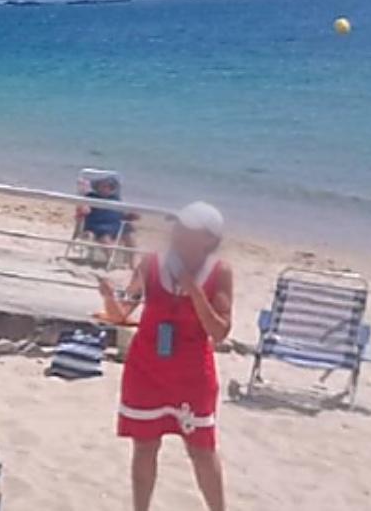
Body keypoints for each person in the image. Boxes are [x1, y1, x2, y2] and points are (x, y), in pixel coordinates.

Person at [97, 202, 233, 511]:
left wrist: (194, 291)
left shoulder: (219, 272)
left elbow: (220, 331)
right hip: (147, 369)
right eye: (177, 226)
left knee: (201, 449)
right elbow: (122, 313)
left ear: (208, 239)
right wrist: (108, 297)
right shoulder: (152, 264)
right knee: (144, 447)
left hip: (192, 375)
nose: (177, 233)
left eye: (187, 229)